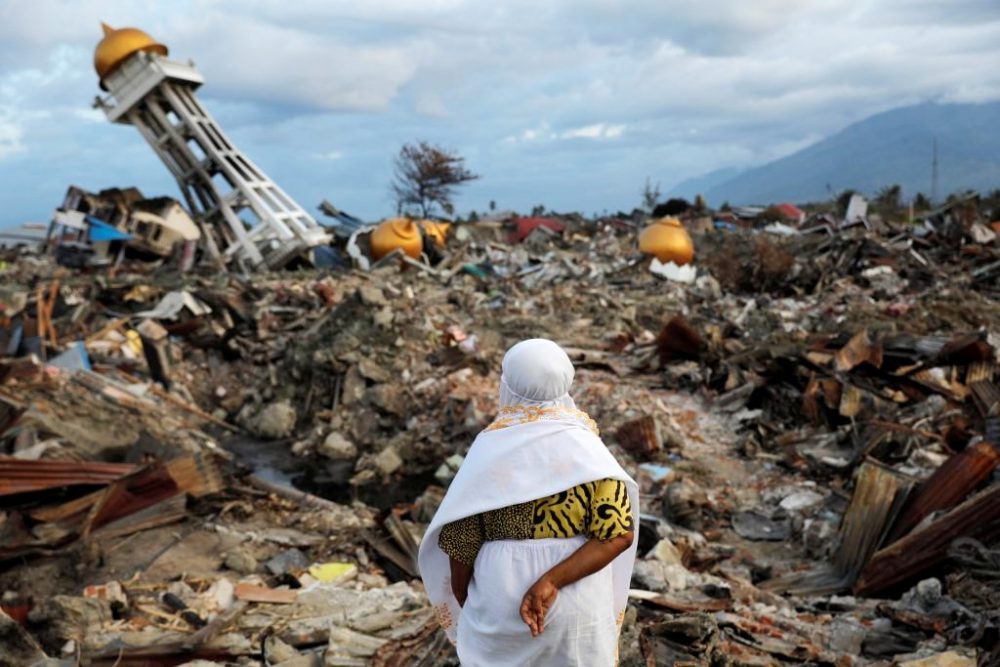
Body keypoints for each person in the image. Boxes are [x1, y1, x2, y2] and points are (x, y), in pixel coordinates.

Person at [418, 338, 639, 666]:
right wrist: (551, 582)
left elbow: (462, 542)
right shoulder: (589, 453)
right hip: (578, 612)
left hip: (501, 606)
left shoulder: (491, 450)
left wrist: (482, 606)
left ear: (507, 385)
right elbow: (618, 534)